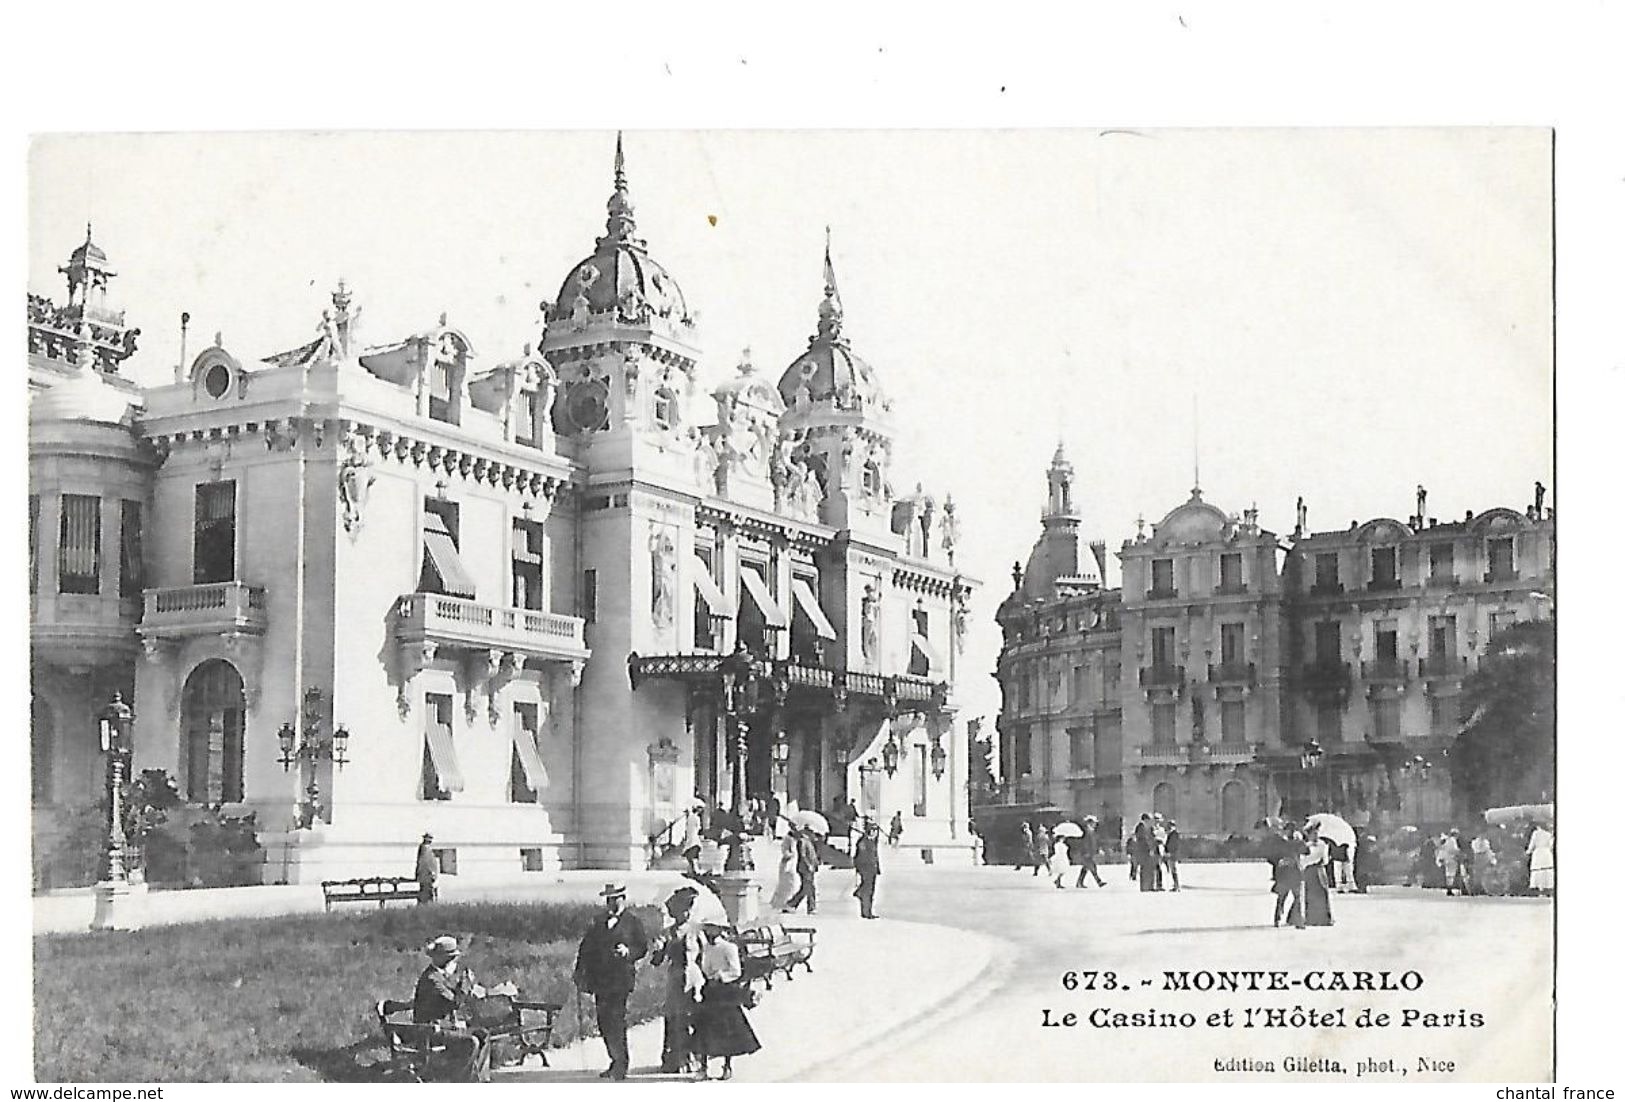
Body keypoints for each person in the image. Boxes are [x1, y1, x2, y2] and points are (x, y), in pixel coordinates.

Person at [573, 882, 650, 1080]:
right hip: (601, 980)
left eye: (614, 898)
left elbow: (642, 947)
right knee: (603, 1022)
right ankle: (614, 1060)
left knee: (616, 1020)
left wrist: (628, 952)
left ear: (623, 898)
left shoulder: (633, 922)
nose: (611, 902)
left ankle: (621, 1064)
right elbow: (586, 948)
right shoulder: (598, 922)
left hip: (620, 980)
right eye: (608, 899)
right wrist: (579, 972)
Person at [412, 935, 490, 1081]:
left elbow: (454, 996)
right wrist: (466, 983)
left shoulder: (440, 977)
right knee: (471, 1041)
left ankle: (478, 1080)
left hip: (443, 1027)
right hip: (430, 1031)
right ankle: (460, 1080)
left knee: (483, 1034)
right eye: (451, 958)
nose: (453, 962)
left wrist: (464, 985)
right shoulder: (432, 979)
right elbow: (454, 1002)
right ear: (442, 959)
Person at [692, 924, 760, 1080]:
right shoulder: (707, 948)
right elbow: (705, 968)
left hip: (726, 993)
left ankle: (727, 1066)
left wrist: (721, 975)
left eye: (713, 929)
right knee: (704, 1029)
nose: (710, 933)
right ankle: (703, 1067)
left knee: (726, 1031)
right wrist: (709, 975)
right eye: (707, 929)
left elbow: (736, 971)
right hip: (711, 991)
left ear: (720, 930)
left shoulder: (729, 948)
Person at [653, 887, 705, 1074]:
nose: (686, 913)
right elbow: (656, 961)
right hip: (675, 978)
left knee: (694, 1017)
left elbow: (704, 956)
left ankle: (694, 1057)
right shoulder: (667, 933)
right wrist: (659, 949)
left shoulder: (697, 930)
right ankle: (674, 1059)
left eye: (689, 908)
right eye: (683, 909)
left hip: (694, 977)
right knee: (675, 1018)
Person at [1272, 826, 1308, 929]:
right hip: (1284, 873)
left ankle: (1298, 920)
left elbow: (1306, 851)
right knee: (1282, 898)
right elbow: (1273, 856)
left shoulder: (1297, 842)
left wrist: (1302, 840)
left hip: (1295, 873)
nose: (1290, 833)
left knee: (1297, 898)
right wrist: (1280, 862)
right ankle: (1278, 918)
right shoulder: (1280, 842)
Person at [783, 824, 821, 913]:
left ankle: (794, 905)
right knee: (808, 887)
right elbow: (803, 855)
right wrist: (809, 865)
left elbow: (812, 855)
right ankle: (808, 906)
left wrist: (815, 863)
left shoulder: (809, 841)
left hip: (809, 868)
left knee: (808, 888)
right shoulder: (802, 841)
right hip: (805, 868)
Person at [1301, 824, 1334, 926]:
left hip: (1319, 869)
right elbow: (1303, 859)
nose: (1315, 836)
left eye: (1317, 833)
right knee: (1310, 894)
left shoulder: (1322, 844)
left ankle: (1324, 918)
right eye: (1313, 834)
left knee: (1322, 892)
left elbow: (1324, 859)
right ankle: (1311, 918)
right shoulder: (1306, 845)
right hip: (1309, 870)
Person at [768, 825, 801, 910]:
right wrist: (791, 854)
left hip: (793, 865)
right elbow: (785, 851)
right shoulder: (788, 839)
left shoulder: (795, 840)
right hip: (787, 866)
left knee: (790, 884)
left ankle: (783, 902)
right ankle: (781, 903)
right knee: (787, 884)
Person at [1074, 817, 1107, 888]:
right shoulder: (1086, 832)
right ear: (1090, 823)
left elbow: (1094, 843)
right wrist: (1086, 852)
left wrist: (1098, 849)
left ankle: (1079, 883)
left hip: (1090, 853)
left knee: (1085, 868)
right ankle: (1099, 881)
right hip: (1086, 853)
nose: (1095, 824)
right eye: (1094, 823)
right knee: (1092, 867)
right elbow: (1085, 843)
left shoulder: (1092, 831)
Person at [1527, 823, 1555, 896]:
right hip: (1546, 853)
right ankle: (1546, 889)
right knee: (1545, 870)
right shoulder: (1549, 834)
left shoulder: (1536, 833)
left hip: (1538, 853)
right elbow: (1551, 845)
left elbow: (1532, 844)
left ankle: (1540, 889)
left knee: (1538, 870)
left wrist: (1529, 851)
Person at [1133, 815, 1158, 892]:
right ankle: (1144, 887)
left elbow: (1151, 838)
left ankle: (1150, 886)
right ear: (1145, 819)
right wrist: (1149, 848)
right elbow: (1143, 839)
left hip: (1148, 851)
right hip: (1144, 851)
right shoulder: (1140, 827)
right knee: (1145, 869)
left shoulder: (1148, 828)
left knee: (1150, 869)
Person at [1436, 829, 1465, 896]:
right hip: (1451, 859)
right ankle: (1449, 889)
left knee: (1448, 874)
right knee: (1451, 874)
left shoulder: (1447, 840)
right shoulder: (1452, 840)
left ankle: (1449, 888)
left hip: (1447, 859)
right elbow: (1453, 849)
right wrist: (1459, 852)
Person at [415, 833, 438, 905]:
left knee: (427, 891)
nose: (430, 840)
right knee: (426, 892)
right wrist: (431, 872)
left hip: (426, 874)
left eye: (431, 838)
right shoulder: (424, 848)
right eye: (429, 838)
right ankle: (425, 905)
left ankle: (426, 905)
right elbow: (425, 862)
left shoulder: (427, 848)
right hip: (426, 874)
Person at [1162, 820, 1182, 892]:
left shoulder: (1174, 834)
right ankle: (1176, 885)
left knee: (1173, 870)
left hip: (1172, 854)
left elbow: (1173, 845)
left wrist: (1169, 851)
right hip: (1171, 854)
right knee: (1173, 870)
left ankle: (1176, 886)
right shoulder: (1172, 834)